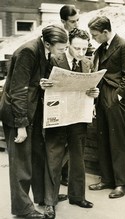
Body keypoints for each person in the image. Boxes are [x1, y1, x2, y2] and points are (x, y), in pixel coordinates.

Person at [0, 25, 68, 219]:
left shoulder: (43, 50)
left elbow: (31, 80)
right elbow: (17, 90)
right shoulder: (28, 52)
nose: (63, 52)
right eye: (61, 48)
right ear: (48, 43)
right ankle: (22, 209)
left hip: (33, 111)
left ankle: (41, 197)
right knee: (21, 163)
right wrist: (21, 126)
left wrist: (41, 82)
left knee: (38, 156)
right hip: (18, 114)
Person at [41, 28, 98, 219]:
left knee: (78, 157)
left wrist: (94, 93)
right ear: (68, 45)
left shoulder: (87, 63)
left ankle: (77, 196)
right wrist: (42, 84)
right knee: (53, 157)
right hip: (57, 115)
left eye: (84, 49)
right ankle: (50, 202)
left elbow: (90, 88)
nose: (81, 53)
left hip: (78, 116)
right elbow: (39, 83)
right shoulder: (53, 59)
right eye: (76, 49)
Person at [87, 16, 125, 198]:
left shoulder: (124, 45)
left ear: (105, 32)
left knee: (118, 141)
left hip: (115, 98)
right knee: (103, 139)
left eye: (95, 35)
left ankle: (122, 183)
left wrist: (117, 96)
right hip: (101, 97)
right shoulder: (101, 48)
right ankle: (107, 179)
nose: (93, 39)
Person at [59, 4, 80, 187]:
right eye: (72, 22)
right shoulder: (58, 37)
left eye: (77, 20)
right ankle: (59, 174)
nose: (76, 24)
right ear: (63, 21)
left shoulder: (77, 36)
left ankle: (65, 175)